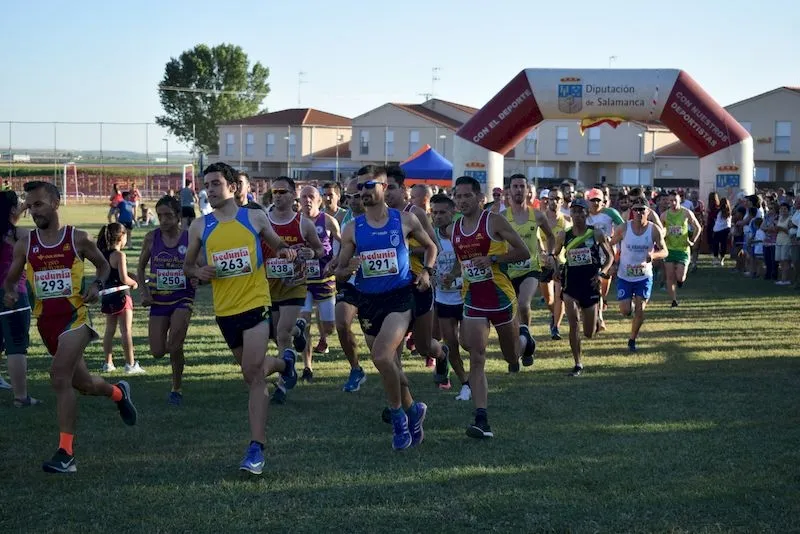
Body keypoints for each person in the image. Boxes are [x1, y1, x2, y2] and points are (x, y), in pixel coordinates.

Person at [3, 181, 137, 473]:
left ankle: (66, 454)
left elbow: (103, 267)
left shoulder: (78, 239)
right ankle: (118, 393)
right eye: (30, 205)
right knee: (84, 385)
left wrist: (98, 284)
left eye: (38, 204)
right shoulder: (27, 243)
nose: (33, 210)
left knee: (59, 377)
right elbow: (11, 278)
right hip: (46, 324)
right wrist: (10, 291)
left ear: (56, 203)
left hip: (75, 319)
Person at [183, 162, 299, 475]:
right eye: (207, 184)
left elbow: (278, 244)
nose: (210, 190)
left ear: (233, 187)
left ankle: (256, 448)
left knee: (252, 372)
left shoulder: (255, 216)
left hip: (256, 303)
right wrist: (198, 271)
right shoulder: (200, 226)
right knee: (254, 373)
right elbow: (187, 266)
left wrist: (286, 252)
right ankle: (285, 363)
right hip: (225, 312)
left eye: (216, 183)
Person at [334, 165, 435, 450]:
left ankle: (398, 418)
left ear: (383, 186)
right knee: (386, 363)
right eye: (358, 188)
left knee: (381, 356)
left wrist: (426, 271)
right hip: (368, 302)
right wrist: (346, 267)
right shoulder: (353, 229)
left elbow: (431, 247)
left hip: (400, 298)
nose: (362, 192)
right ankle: (414, 409)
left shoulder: (404, 220)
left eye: (368, 186)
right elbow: (341, 272)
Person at [450, 176, 533, 439]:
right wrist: (451, 274)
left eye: (466, 196)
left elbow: (523, 252)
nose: (461, 201)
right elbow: (461, 260)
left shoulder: (493, 221)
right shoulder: (455, 228)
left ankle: (525, 339)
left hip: (500, 298)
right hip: (474, 298)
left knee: (512, 358)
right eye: (458, 196)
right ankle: (481, 418)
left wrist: (494, 258)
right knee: (477, 357)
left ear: (479, 197)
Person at [264, 176, 324, 405]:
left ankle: (281, 386)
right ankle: (299, 335)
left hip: (294, 286)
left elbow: (319, 250)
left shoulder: (304, 224)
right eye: (275, 192)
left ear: (293, 196)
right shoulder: (263, 221)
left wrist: (311, 253)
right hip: (269, 287)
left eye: (282, 192)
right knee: (279, 336)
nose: (278, 196)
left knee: (281, 333)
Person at [384, 166, 447, 379]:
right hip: (392, 285)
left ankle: (442, 354)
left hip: (418, 283)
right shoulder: (380, 216)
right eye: (383, 187)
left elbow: (434, 245)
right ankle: (400, 396)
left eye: (391, 187)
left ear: (403, 189)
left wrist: (407, 248)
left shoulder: (415, 213)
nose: (387, 193)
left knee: (424, 346)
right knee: (394, 343)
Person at [137, 195, 197, 405]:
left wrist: (198, 277)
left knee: (174, 344)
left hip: (183, 298)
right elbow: (140, 267)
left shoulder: (190, 238)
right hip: (158, 300)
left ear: (178, 216)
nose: (163, 220)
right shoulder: (151, 238)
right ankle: (176, 355)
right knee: (157, 351)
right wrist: (144, 292)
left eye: (168, 216)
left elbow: (200, 266)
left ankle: (176, 388)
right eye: (160, 215)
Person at [558, 198, 614, 376]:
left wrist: (601, 273)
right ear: (571, 214)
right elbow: (556, 255)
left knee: (589, 332)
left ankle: (596, 317)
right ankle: (577, 363)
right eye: (573, 211)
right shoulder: (564, 235)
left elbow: (610, 256)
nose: (577, 215)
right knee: (573, 324)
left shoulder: (595, 233)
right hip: (570, 284)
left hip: (590, 284)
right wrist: (555, 266)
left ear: (586, 214)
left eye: (580, 211)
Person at [504, 174, 556, 361]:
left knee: (524, 304)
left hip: (530, 269)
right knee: (512, 314)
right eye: (515, 186)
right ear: (509, 190)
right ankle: (525, 345)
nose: (518, 190)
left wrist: (550, 255)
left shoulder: (538, 216)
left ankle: (526, 337)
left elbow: (550, 236)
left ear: (528, 191)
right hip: (507, 271)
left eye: (522, 186)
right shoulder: (503, 217)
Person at [610, 195, 668, 353]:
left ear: (648, 211)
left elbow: (664, 251)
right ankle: (631, 305)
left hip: (644, 276)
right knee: (625, 311)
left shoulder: (653, 230)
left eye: (642, 210)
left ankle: (632, 340)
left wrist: (654, 256)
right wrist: (612, 262)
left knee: (640, 310)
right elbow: (610, 244)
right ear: (631, 211)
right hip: (625, 276)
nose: (638, 213)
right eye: (635, 210)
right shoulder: (623, 228)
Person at [297, 185, 341, 381]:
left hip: (325, 279)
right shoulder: (295, 221)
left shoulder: (328, 221)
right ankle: (307, 367)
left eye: (311, 196)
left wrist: (335, 261)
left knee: (330, 327)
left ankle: (323, 336)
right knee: (303, 323)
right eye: (303, 196)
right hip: (302, 280)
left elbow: (344, 244)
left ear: (319, 200)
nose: (307, 200)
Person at [0, 190, 39, 406]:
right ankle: (21, 397)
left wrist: (19, 208)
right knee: (16, 345)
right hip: (14, 292)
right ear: (13, 210)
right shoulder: (20, 235)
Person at [430, 194, 471, 400]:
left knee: (467, 342)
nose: (437, 217)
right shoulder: (431, 237)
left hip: (466, 296)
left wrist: (455, 274)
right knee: (451, 343)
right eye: (434, 212)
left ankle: (474, 377)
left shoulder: (463, 233)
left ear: (452, 212)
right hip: (444, 299)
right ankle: (465, 382)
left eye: (442, 212)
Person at [331, 177, 367, 392]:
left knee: (378, 339)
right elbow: (340, 251)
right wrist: (336, 266)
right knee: (342, 322)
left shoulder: (384, 217)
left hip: (378, 283)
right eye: (349, 196)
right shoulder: (345, 220)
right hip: (351, 281)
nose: (353, 201)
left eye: (358, 196)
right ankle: (355, 368)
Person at [97, 223, 143, 374]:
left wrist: (130, 275)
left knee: (109, 331)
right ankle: (130, 364)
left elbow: (109, 274)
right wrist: (134, 283)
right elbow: (123, 279)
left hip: (108, 296)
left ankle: (108, 363)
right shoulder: (120, 255)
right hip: (122, 297)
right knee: (126, 331)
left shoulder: (102, 255)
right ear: (121, 236)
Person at [660, 191, 702, 307]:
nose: (673, 203)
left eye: (675, 201)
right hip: (669, 249)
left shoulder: (686, 212)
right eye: (670, 201)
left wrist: (692, 240)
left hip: (683, 249)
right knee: (670, 276)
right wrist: (663, 237)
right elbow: (660, 231)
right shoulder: (664, 215)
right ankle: (673, 300)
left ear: (680, 201)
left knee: (680, 276)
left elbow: (697, 227)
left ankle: (680, 281)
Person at [541, 188, 570, 340]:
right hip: (544, 263)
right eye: (551, 198)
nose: (554, 201)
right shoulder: (540, 219)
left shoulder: (567, 221)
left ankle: (556, 327)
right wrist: (542, 253)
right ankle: (554, 315)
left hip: (561, 263)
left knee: (560, 296)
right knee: (549, 299)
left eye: (557, 198)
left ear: (562, 201)